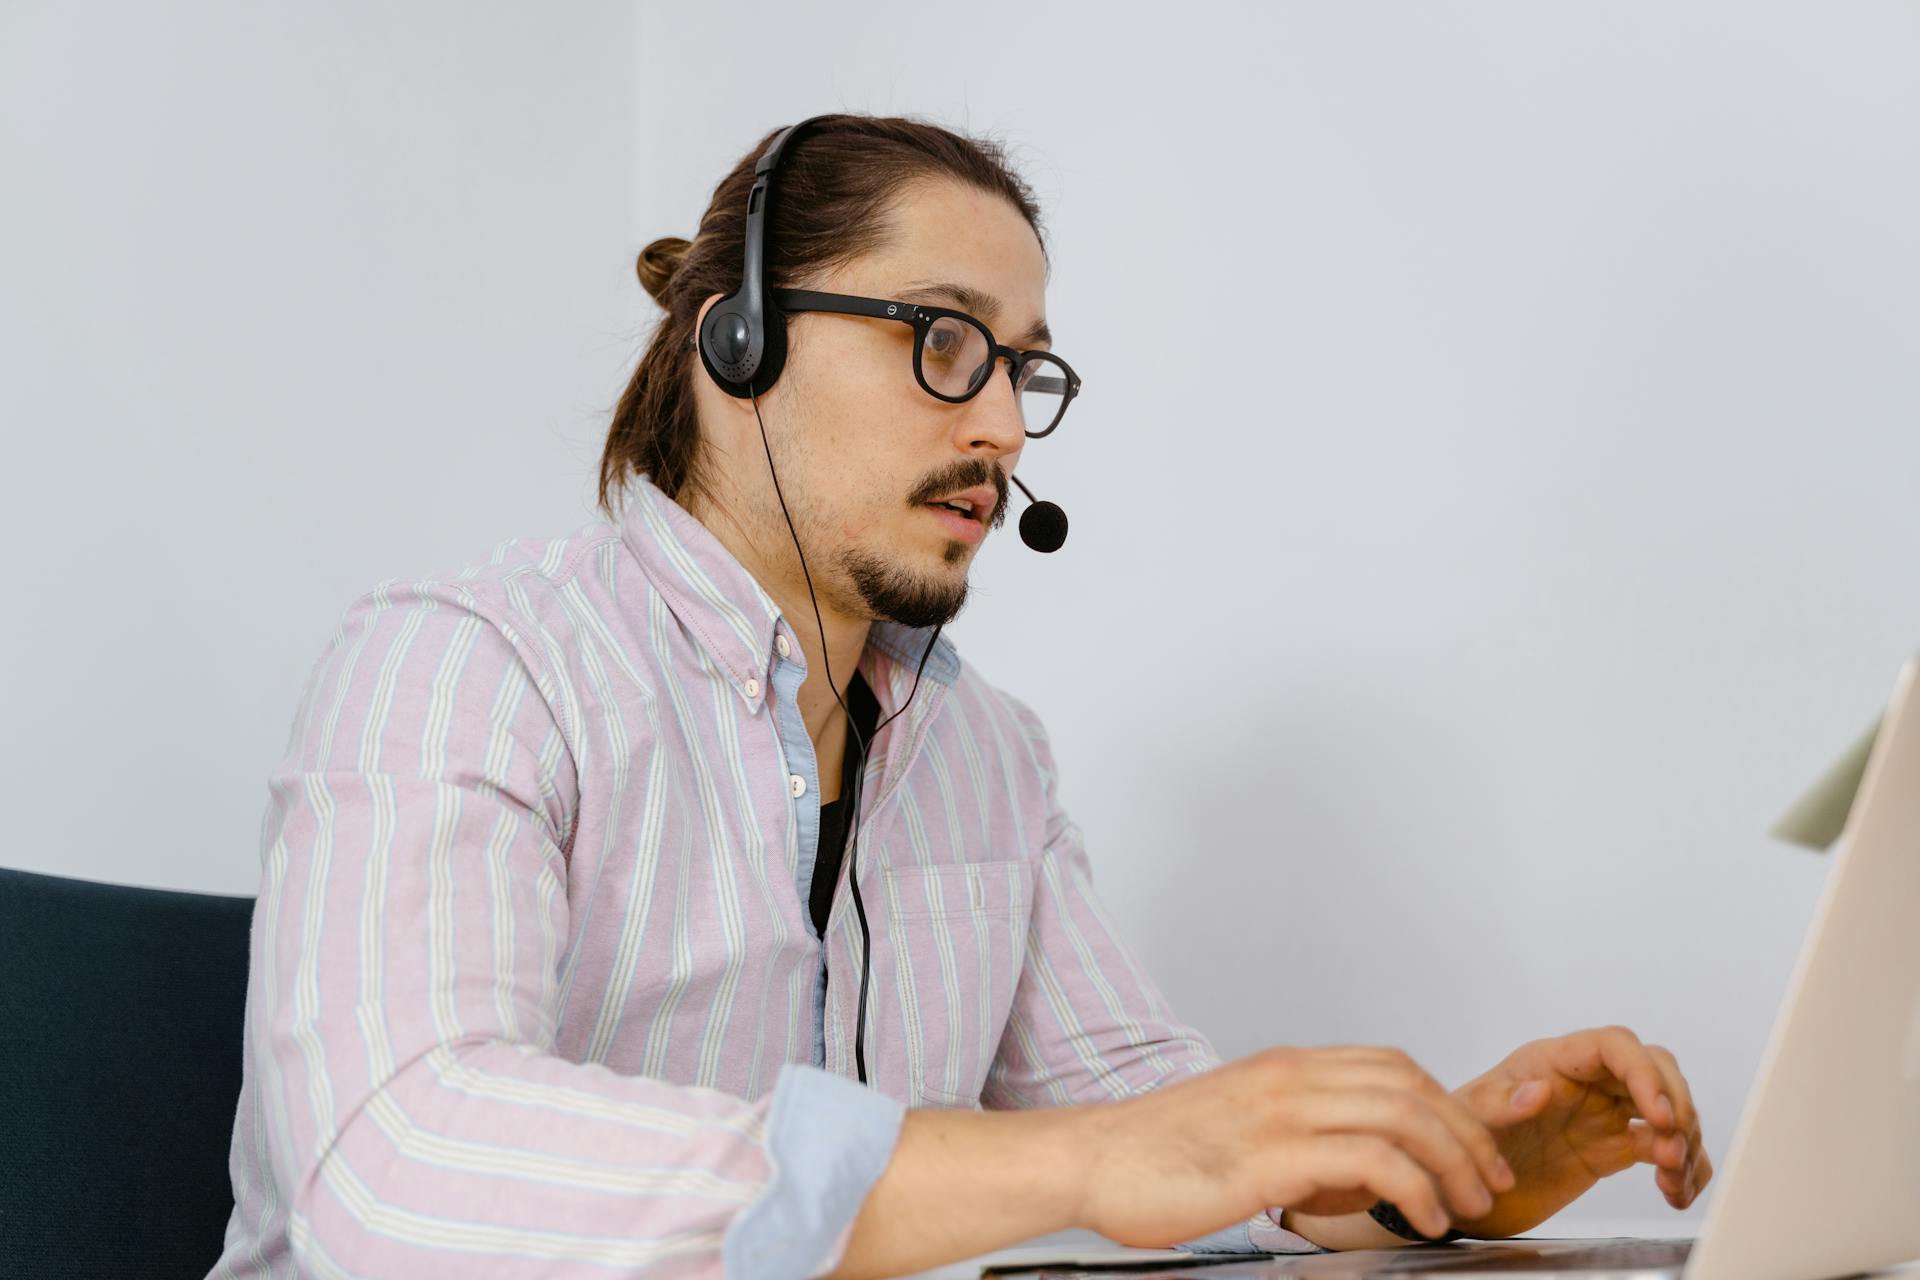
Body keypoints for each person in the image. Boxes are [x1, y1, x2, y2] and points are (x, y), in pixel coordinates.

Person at [208, 112, 1711, 1280]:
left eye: (1024, 372)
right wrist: (1072, 1167)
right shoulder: (459, 667)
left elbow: (1151, 1119)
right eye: (944, 343)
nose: (1000, 422)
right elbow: (395, 1175)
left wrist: (1418, 1179)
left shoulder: (988, 754)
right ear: (741, 339)